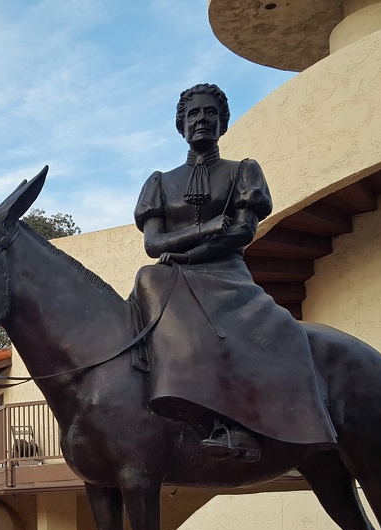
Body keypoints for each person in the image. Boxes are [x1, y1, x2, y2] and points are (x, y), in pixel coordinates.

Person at [132, 84, 336, 460]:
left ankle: (243, 427)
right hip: (173, 275)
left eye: (210, 113)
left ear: (222, 122)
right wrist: (206, 229)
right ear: (181, 125)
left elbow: (242, 231)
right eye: (193, 114)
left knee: (269, 332)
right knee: (146, 285)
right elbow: (153, 245)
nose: (202, 120)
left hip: (227, 274)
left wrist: (190, 256)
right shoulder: (159, 183)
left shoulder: (244, 172)